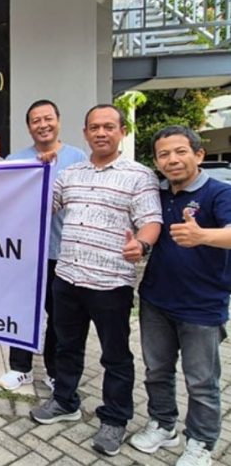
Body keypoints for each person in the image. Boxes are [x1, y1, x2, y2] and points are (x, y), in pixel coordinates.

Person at [30, 104, 162, 457]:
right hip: (67, 277)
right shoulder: (70, 173)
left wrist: (141, 244)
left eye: (108, 127)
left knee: (115, 356)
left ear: (122, 131)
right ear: (85, 133)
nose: (101, 133)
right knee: (65, 347)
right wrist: (37, 174)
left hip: (110, 283)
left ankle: (115, 419)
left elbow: (151, 220)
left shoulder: (139, 176)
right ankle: (65, 401)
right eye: (94, 127)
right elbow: (42, 205)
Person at [129, 126, 231, 466]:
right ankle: (163, 424)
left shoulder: (220, 193)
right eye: (163, 154)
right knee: (157, 371)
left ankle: (201, 443)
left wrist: (203, 236)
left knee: (202, 382)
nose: (172, 160)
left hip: (202, 306)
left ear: (199, 154)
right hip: (156, 300)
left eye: (180, 151)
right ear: (156, 161)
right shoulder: (158, 194)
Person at [0, 100, 87, 391]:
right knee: (22, 311)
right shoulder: (16, 159)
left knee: (59, 316)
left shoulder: (77, 157)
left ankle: (54, 370)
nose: (42, 124)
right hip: (25, 254)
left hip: (62, 252)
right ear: (28, 127)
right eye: (36, 120)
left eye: (47, 118)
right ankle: (20, 368)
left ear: (58, 121)